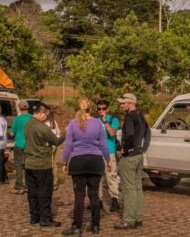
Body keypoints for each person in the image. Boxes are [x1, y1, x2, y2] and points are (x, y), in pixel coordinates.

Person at [61, 99, 111, 235]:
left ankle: (77, 227)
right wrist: (109, 160)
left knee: (79, 196)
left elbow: (68, 145)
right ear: (91, 109)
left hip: (78, 161)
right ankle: (95, 225)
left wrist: (64, 162)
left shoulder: (73, 123)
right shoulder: (99, 123)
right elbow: (103, 145)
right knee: (94, 195)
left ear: (79, 107)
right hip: (95, 161)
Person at [24, 103, 65, 227]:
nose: (47, 117)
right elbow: (56, 141)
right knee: (45, 192)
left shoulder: (28, 124)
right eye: (46, 115)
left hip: (29, 163)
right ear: (41, 113)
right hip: (42, 164)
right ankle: (45, 219)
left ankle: (34, 216)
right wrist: (67, 133)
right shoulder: (42, 127)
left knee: (32, 192)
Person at [114, 93, 151, 230]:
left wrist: (124, 148)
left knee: (128, 189)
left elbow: (129, 135)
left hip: (129, 157)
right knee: (137, 187)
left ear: (130, 103)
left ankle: (128, 220)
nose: (121, 105)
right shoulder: (140, 114)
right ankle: (138, 218)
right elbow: (148, 131)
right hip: (139, 155)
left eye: (123, 103)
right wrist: (143, 147)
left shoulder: (129, 116)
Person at [96, 99, 121, 212]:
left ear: (108, 109)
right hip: (97, 152)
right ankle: (98, 200)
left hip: (109, 152)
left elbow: (111, 133)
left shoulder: (113, 119)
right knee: (97, 178)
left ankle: (115, 199)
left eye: (103, 108)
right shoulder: (95, 120)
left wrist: (105, 121)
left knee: (111, 176)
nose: (101, 111)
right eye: (99, 109)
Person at [10, 101, 31, 194]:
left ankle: (19, 186)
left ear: (19, 108)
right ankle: (28, 185)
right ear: (28, 107)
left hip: (19, 144)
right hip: (30, 145)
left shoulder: (17, 119)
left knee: (19, 166)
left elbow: (12, 133)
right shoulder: (32, 118)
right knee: (28, 166)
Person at [44, 111, 61, 190]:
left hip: (49, 145)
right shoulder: (53, 122)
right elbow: (59, 132)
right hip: (55, 144)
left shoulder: (45, 123)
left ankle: (51, 182)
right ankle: (55, 181)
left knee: (48, 163)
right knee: (53, 162)